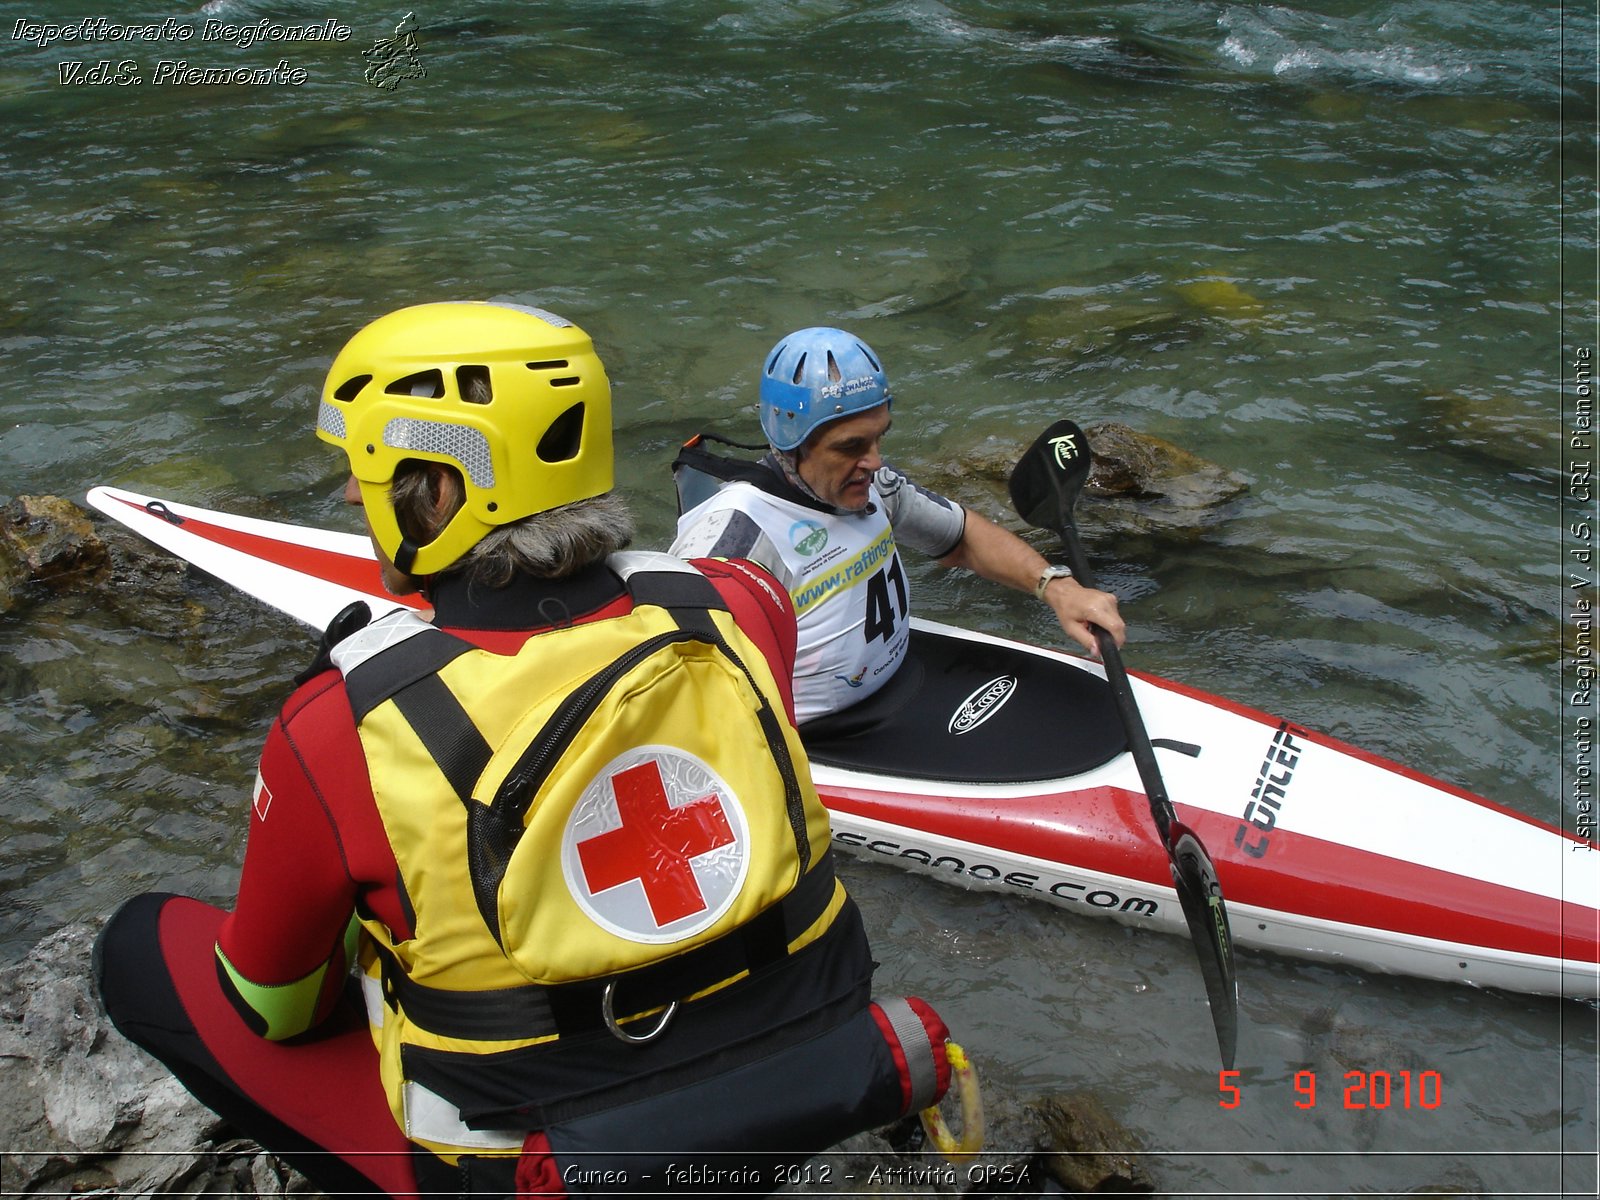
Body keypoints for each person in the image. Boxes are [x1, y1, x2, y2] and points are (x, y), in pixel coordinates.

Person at [94, 302, 957, 1197]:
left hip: (559, 1163)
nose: (352, 494)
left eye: (367, 467)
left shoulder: (341, 723)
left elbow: (277, 1007)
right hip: (809, 1079)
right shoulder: (740, 604)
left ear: (441, 490)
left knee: (140, 947)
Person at [669, 326, 1126, 728]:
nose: (874, 461)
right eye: (851, 446)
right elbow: (686, 689)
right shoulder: (734, 542)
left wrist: (1057, 588)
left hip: (902, 685)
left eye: (878, 437)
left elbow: (963, 539)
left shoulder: (872, 487)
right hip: (819, 740)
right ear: (792, 443)